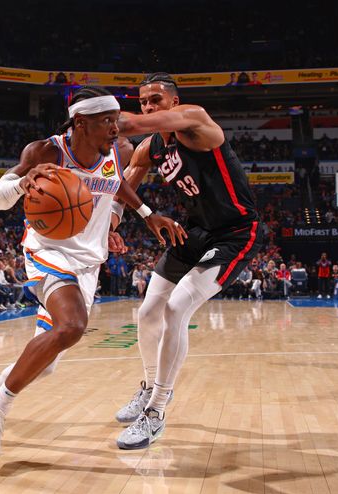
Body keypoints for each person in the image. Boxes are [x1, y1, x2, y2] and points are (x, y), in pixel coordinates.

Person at [0, 86, 184, 459]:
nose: (116, 129)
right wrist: (22, 182)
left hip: (87, 262)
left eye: (116, 120)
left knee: (46, 364)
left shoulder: (120, 150)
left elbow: (116, 187)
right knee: (72, 326)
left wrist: (147, 216)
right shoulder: (46, 152)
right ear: (80, 123)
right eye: (107, 122)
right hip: (47, 252)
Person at [110, 72, 263, 449]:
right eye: (143, 100)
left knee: (177, 309)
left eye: (155, 100)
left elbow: (136, 124)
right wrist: (111, 223)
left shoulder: (195, 119)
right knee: (147, 313)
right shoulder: (151, 149)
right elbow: (124, 183)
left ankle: (157, 411)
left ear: (174, 103)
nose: (148, 106)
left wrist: (95, 121)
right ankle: (149, 387)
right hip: (193, 232)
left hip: (235, 233)